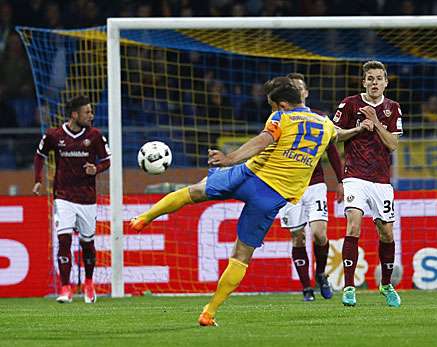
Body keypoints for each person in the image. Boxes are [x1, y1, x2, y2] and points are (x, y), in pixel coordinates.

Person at [130, 77, 372, 326]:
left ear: (283, 104)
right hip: (271, 198)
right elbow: (338, 135)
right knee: (241, 256)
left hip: (247, 175)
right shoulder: (324, 123)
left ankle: (144, 218)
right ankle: (209, 312)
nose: (272, 110)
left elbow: (261, 141)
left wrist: (229, 158)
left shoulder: (282, 118)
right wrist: (357, 130)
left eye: (272, 105)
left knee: (195, 192)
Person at [333, 60, 403, 307]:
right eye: (370, 78)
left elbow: (393, 144)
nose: (374, 83)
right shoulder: (350, 104)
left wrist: (376, 120)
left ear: (386, 81)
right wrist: (357, 128)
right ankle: (349, 287)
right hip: (354, 176)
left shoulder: (393, 107)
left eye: (379, 78)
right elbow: (334, 134)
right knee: (353, 224)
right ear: (364, 82)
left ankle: (386, 284)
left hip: (381, 180)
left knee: (386, 232)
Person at [33, 95, 111, 304]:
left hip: (87, 198)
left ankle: (88, 283)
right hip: (63, 196)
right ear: (75, 115)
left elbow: (107, 160)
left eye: (91, 111)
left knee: (87, 243)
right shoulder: (54, 135)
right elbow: (40, 155)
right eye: (87, 112)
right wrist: (38, 180)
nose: (91, 115)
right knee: (64, 239)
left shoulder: (94, 136)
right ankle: (66, 288)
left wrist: (96, 168)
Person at [277, 73, 344, 301]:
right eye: (292, 88)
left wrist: (341, 181)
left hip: (315, 184)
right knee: (297, 237)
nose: (297, 91)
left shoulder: (319, 119)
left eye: (299, 87)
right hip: (288, 187)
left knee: (319, 234)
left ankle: (321, 274)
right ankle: (307, 287)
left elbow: (332, 151)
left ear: (305, 92)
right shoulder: (279, 120)